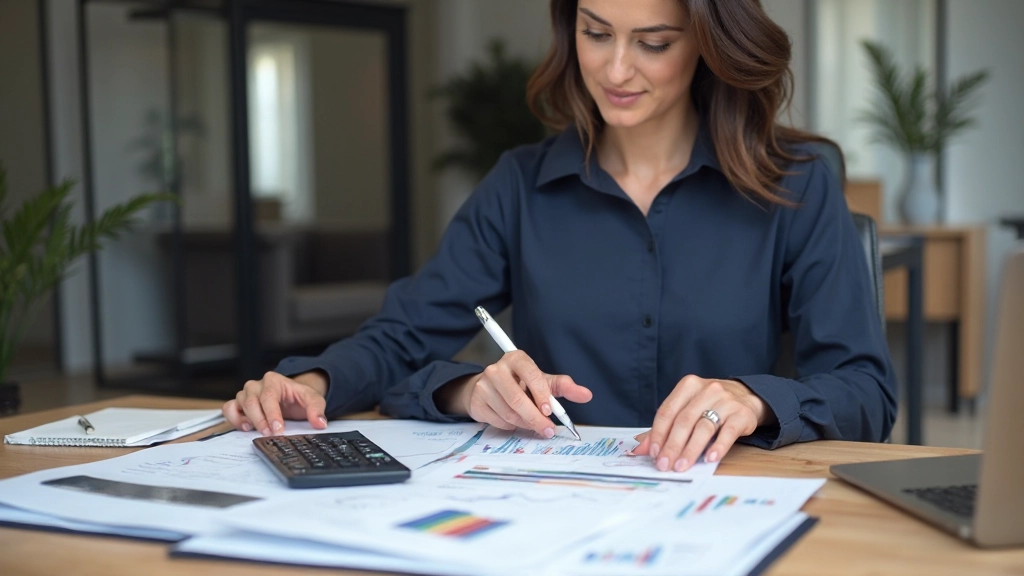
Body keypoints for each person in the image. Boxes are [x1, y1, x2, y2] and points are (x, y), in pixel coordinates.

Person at [223, 0, 897, 473]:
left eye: (653, 43)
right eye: (595, 32)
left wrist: (754, 399)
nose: (614, 70)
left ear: (709, 43)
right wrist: (316, 380)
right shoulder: (520, 184)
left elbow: (865, 390)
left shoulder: (798, 183)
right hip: (552, 506)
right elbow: (403, 339)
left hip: (727, 501)